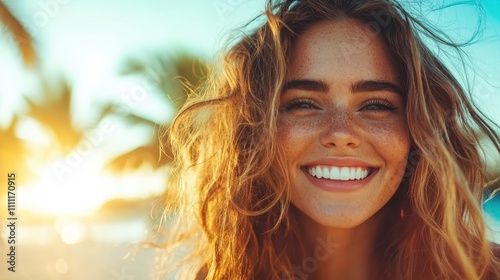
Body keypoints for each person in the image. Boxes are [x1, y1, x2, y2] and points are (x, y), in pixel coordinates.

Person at [157, 0, 500, 279]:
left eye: (376, 105)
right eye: (303, 104)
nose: (340, 133)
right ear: (256, 130)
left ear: (418, 129)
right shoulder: (223, 274)